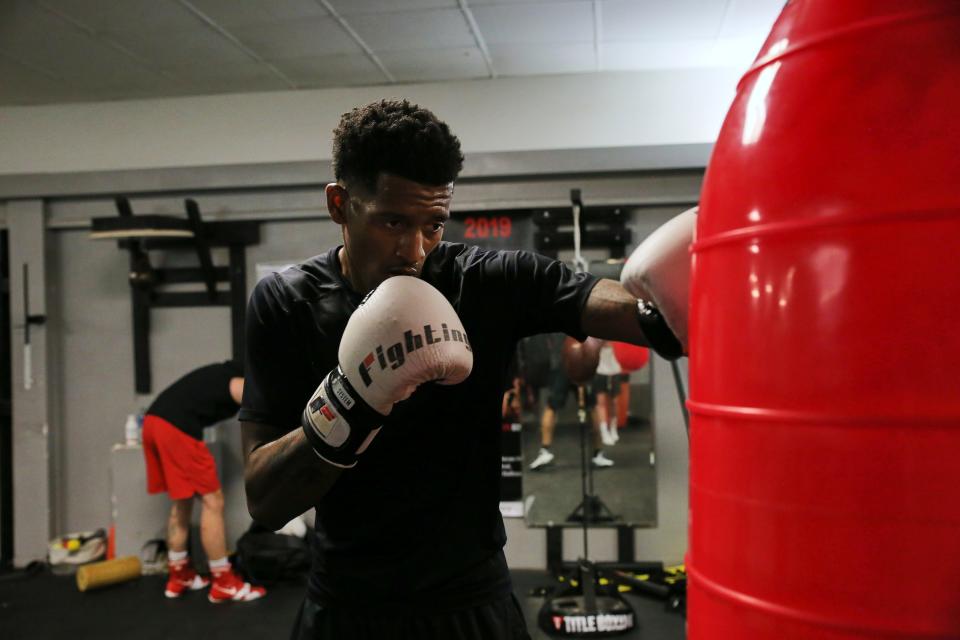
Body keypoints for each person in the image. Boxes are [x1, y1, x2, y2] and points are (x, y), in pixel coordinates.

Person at [239, 99, 685, 640]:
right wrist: (353, 397)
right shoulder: (287, 303)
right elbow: (264, 500)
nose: (414, 250)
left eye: (433, 225)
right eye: (393, 221)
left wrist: (675, 307)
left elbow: (614, 308)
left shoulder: (487, 281)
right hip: (347, 606)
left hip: (472, 603)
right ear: (339, 204)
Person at [142, 360, 266, 603]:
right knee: (213, 502)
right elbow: (253, 402)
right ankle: (224, 582)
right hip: (176, 427)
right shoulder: (235, 376)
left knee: (182, 501)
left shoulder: (218, 373)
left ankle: (179, 575)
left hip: (152, 423)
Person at [528, 335, 614, 471]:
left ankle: (597, 453)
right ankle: (545, 452)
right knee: (555, 406)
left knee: (590, 406)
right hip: (565, 361)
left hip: (580, 359)